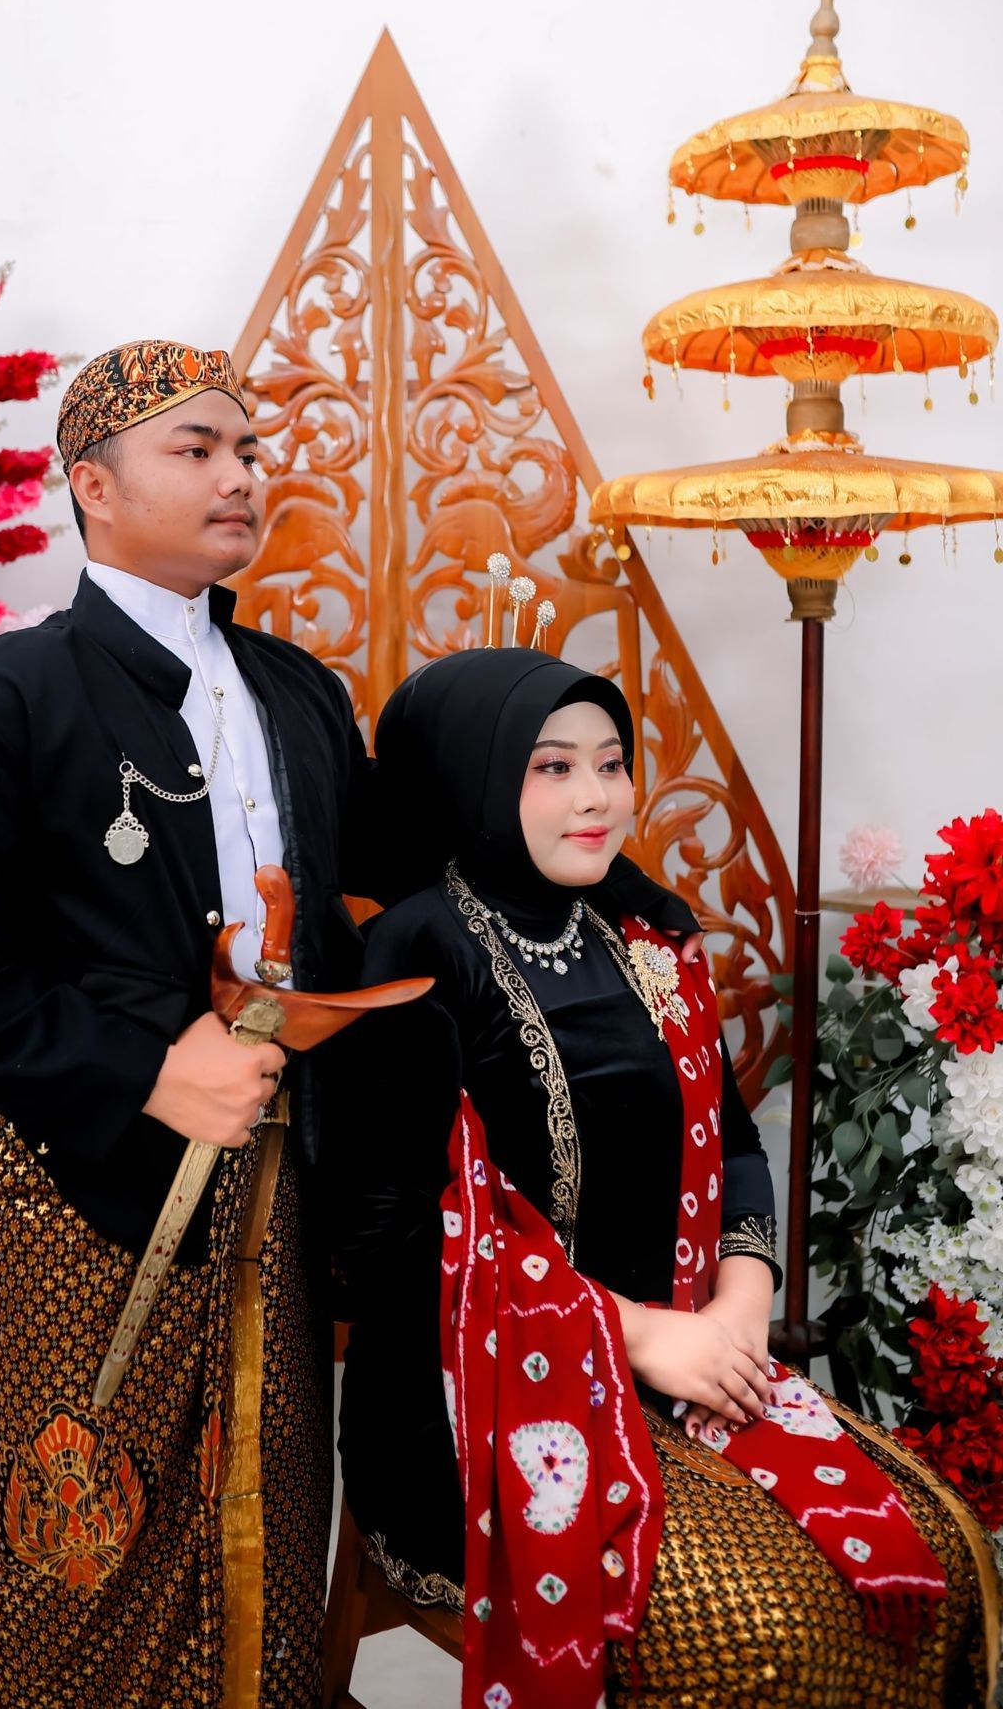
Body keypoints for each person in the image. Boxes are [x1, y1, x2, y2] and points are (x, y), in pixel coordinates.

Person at [0, 339, 697, 1709]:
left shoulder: (294, 690)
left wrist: (620, 880)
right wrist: (143, 1067)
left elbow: (433, 855)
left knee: (264, 1538)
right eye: (196, 450)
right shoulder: (0, 701)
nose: (240, 475)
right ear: (94, 487)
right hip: (71, 1197)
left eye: (247, 449)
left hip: (279, 1188)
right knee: (83, 1557)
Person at [336, 647, 996, 1709]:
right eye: (552, 766)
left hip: (686, 1350)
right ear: (473, 775)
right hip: (472, 1399)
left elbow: (731, 1139)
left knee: (936, 1543)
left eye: (611, 762)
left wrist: (739, 1302)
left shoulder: (641, 927)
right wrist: (639, 1335)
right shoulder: (418, 951)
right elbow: (392, 1239)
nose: (596, 797)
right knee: (757, 1625)